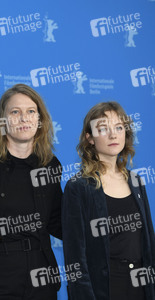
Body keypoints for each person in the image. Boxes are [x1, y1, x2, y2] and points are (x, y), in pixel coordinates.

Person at [0, 84, 63, 299]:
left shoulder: (50, 165)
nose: (24, 118)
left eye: (31, 111)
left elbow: (58, 221)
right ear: (2, 120)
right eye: (15, 112)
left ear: (40, 119)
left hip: (43, 273)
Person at [62, 101, 155, 300]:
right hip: (105, 288)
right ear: (90, 139)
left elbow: (148, 242)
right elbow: (75, 257)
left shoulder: (136, 181)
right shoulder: (79, 187)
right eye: (103, 129)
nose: (113, 135)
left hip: (141, 285)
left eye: (119, 128)